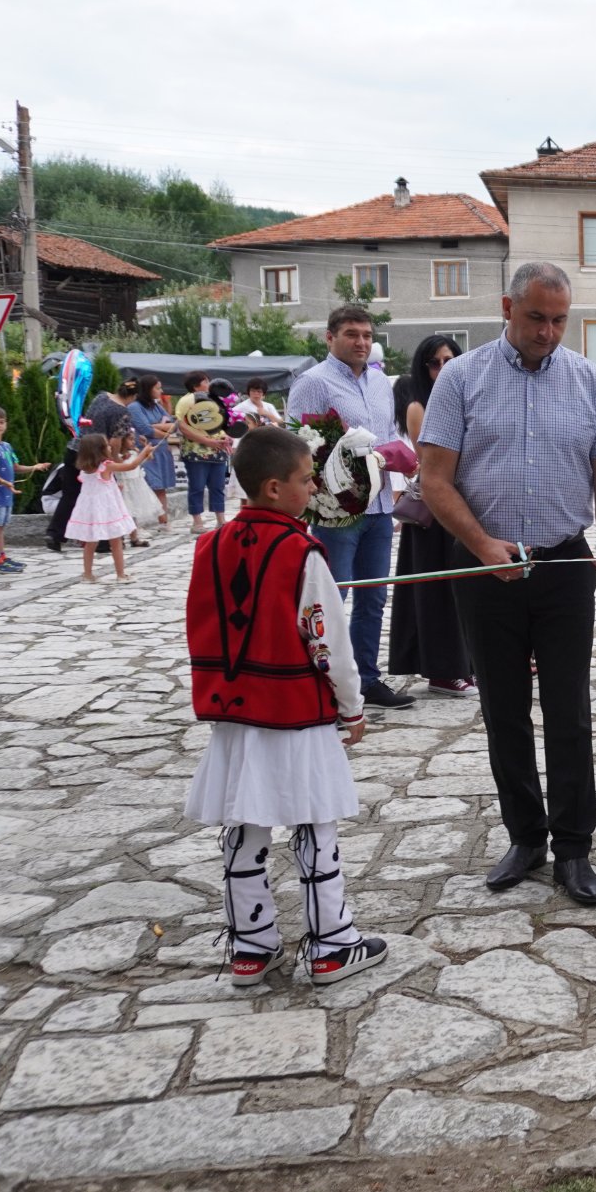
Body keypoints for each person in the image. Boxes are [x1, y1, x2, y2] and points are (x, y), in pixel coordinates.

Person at [418, 262, 596, 900]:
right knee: (503, 709)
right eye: (537, 317)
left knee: (569, 710)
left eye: (560, 319)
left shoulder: (590, 380)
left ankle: (573, 848)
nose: (548, 331)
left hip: (564, 564)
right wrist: (483, 545)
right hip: (486, 567)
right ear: (507, 307)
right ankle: (525, 836)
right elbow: (435, 478)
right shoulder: (460, 378)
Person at [184, 425, 386, 987]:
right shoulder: (301, 551)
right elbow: (329, 641)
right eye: (305, 478)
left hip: (237, 709)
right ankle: (331, 944)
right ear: (274, 488)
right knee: (314, 823)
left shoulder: (211, 544)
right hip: (295, 708)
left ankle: (251, 946)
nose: (313, 485)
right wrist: (352, 707)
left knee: (245, 824)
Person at [287, 306, 416, 711]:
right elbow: (302, 445)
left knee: (373, 597)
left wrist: (394, 462)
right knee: (331, 597)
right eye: (351, 334)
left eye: (366, 334)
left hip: (377, 506)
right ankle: (319, 680)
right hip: (336, 510)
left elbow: (389, 435)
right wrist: (373, 455)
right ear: (330, 338)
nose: (360, 342)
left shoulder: (380, 383)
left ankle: (366, 679)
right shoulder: (313, 382)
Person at [389, 334, 473, 698]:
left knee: (466, 589)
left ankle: (467, 663)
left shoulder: (467, 399)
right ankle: (441, 670)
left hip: (466, 503)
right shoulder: (419, 406)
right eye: (435, 362)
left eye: (449, 360)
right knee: (436, 591)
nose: (443, 368)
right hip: (435, 509)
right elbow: (434, 462)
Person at [66, 431, 147, 583]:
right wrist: (145, 452)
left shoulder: (85, 469)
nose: (110, 447)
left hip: (90, 510)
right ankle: (121, 574)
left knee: (90, 542)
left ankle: (87, 574)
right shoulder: (106, 466)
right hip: (108, 509)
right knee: (116, 541)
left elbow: (98, 486)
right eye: (107, 446)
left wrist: (115, 486)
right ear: (100, 450)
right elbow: (131, 466)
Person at [0, 405, 49, 572]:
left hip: (6, 492)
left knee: (1, 526)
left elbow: (15, 467)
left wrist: (34, 467)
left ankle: (2, 556)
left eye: (1, 422)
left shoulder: (7, 446)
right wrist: (3, 482)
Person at [174, 370, 233, 533]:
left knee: (218, 486)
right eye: (205, 381)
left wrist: (225, 437)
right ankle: (197, 521)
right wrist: (207, 441)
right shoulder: (186, 400)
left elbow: (220, 422)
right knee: (197, 486)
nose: (209, 384)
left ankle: (221, 519)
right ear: (195, 385)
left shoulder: (215, 399)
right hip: (195, 451)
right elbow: (183, 426)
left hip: (217, 449)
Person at [127, 376, 177, 528]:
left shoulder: (156, 406)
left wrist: (156, 427)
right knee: (146, 484)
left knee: (160, 487)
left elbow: (173, 425)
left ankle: (164, 521)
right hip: (146, 451)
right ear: (148, 389)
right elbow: (144, 428)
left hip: (161, 449)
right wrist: (163, 430)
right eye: (157, 388)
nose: (160, 391)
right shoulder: (135, 407)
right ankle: (139, 524)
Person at [110, 420, 160, 546]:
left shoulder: (135, 452)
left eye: (134, 439)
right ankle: (120, 538)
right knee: (123, 513)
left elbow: (149, 458)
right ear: (122, 441)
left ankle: (134, 538)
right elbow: (121, 465)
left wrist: (145, 447)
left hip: (137, 487)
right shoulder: (117, 456)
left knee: (134, 513)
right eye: (130, 439)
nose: (133, 441)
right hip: (124, 487)